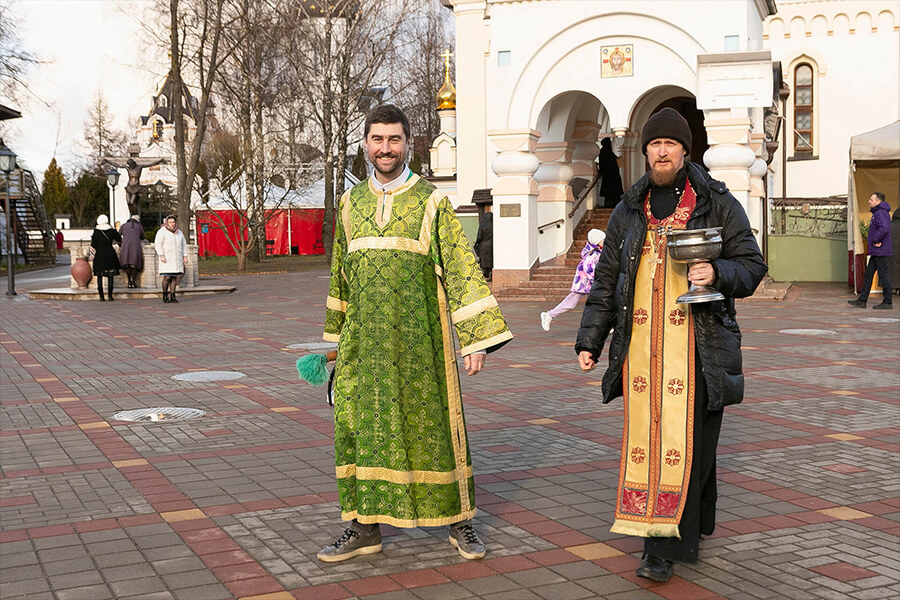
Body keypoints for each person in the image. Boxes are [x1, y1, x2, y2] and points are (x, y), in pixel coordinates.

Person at [575, 107, 767, 583]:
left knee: (693, 446)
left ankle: (678, 531)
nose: (661, 152)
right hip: (642, 352)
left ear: (685, 150)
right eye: (653, 145)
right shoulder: (627, 210)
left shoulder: (716, 202)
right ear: (645, 152)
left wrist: (717, 272)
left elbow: (752, 263)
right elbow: (607, 281)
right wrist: (590, 340)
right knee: (649, 443)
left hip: (699, 350)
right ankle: (656, 546)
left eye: (670, 144)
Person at [319, 105, 512, 563]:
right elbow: (339, 276)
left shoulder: (432, 202)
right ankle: (364, 527)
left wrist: (475, 338)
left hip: (421, 343)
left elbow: (463, 269)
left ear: (410, 144)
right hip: (364, 348)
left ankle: (460, 520)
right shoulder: (349, 205)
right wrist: (335, 344)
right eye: (377, 139)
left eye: (394, 140)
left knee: (436, 429)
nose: (385, 148)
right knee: (362, 431)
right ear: (365, 144)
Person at [541, 228, 605, 331]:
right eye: (603, 240)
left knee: (598, 303)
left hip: (588, 283)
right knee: (573, 303)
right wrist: (597, 282)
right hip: (585, 283)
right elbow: (589, 271)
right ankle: (548, 315)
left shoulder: (596, 252)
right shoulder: (592, 255)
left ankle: (549, 315)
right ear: (597, 242)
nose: (605, 241)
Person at [848, 192, 893, 309]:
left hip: (880, 250)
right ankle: (862, 300)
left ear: (878, 201)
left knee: (883, 275)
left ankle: (888, 302)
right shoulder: (879, 213)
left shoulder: (880, 213)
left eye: (871, 199)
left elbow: (884, 228)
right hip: (877, 251)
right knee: (868, 274)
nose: (869, 201)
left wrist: (875, 240)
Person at [154, 215, 187, 303]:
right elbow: (158, 243)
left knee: (174, 277)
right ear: (167, 223)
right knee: (167, 277)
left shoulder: (179, 232)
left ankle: (173, 295)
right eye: (170, 222)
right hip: (167, 257)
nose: (172, 224)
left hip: (177, 258)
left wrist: (185, 256)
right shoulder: (162, 232)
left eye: (173, 222)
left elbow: (184, 244)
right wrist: (161, 255)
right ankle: (165, 295)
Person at [90, 215, 122, 302]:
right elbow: (119, 238)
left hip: (99, 255)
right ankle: (110, 296)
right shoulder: (111, 231)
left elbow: (93, 245)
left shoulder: (96, 232)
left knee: (99, 276)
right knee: (110, 275)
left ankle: (101, 296)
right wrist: (113, 228)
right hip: (110, 253)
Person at [119, 215, 145, 288]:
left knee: (127, 263)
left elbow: (118, 235)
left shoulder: (124, 226)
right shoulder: (139, 226)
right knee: (134, 264)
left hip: (125, 246)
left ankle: (129, 281)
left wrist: (120, 243)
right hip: (136, 246)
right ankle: (133, 282)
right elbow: (143, 236)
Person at [597, 137, 624, 207]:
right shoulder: (609, 152)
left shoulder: (603, 152)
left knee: (609, 195)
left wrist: (600, 171)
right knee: (615, 195)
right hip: (613, 178)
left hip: (608, 178)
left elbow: (602, 165)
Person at [473, 205, 493, 280]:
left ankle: (486, 275)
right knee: (491, 260)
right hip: (492, 245)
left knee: (484, 261)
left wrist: (476, 243)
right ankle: (491, 275)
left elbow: (479, 236)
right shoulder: (494, 225)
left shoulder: (482, 225)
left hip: (483, 246)